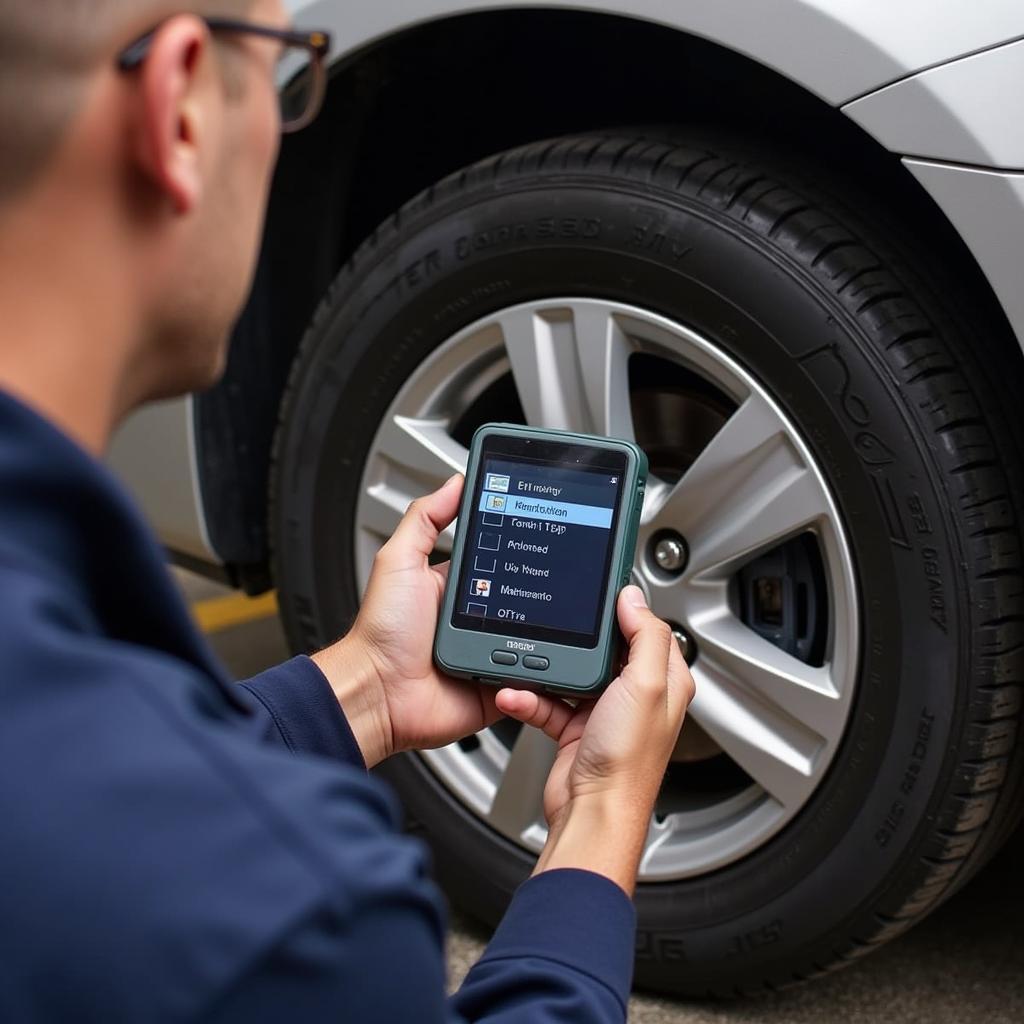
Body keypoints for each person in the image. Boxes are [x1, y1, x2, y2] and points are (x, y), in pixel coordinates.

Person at [0, 1, 694, 1021]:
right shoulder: (279, 917)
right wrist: (598, 819)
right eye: (286, 70)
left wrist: (366, 684)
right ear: (182, 107)